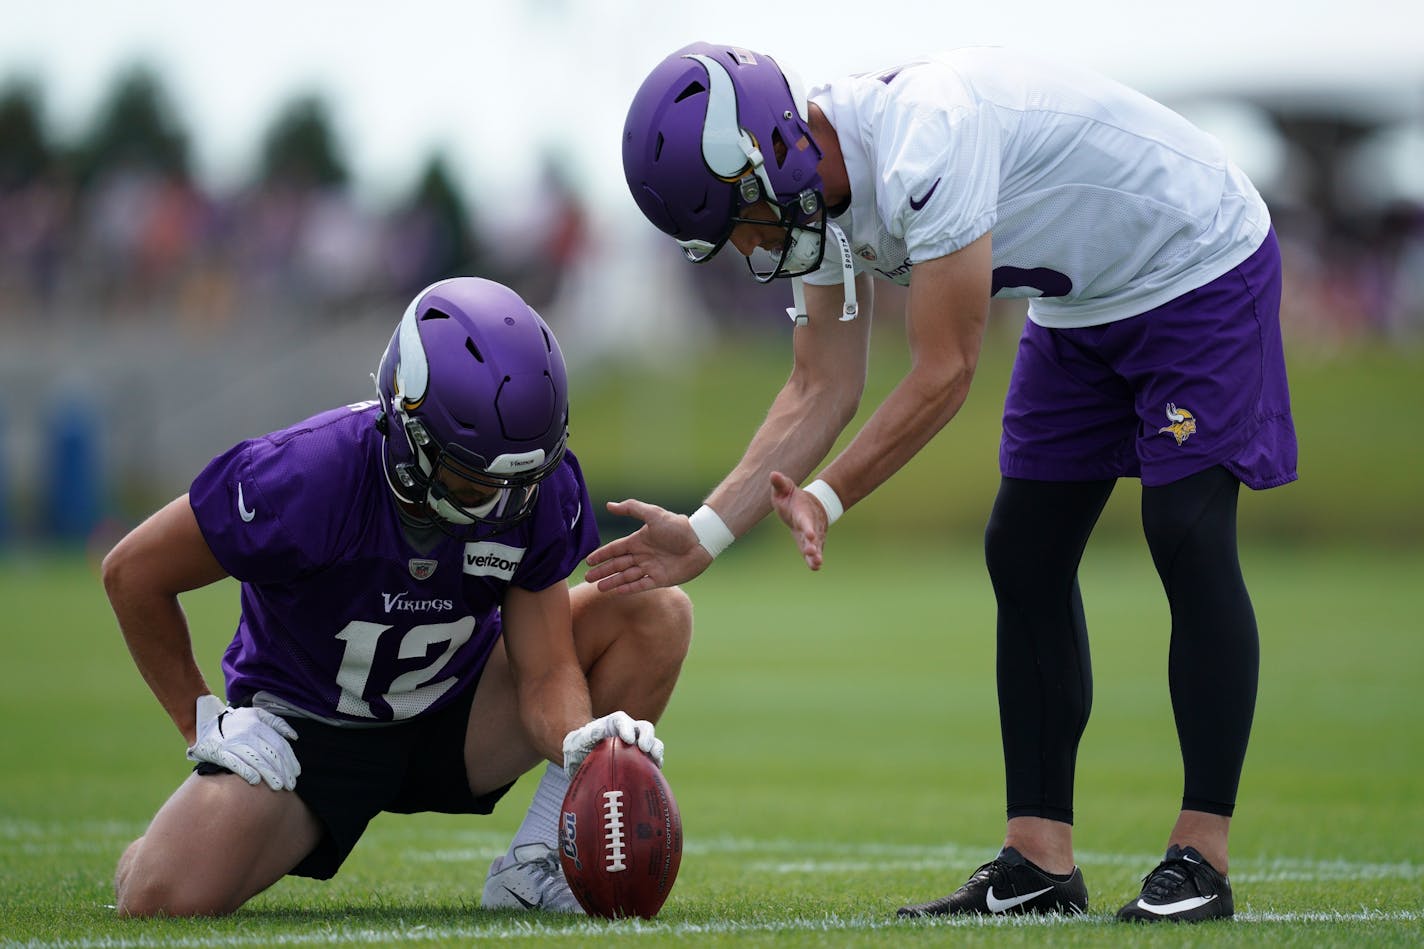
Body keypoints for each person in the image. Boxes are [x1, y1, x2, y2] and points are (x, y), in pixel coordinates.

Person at [595, 43, 1296, 922]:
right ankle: (1039, 860)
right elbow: (821, 387)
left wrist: (829, 495)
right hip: (1086, 299)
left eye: (740, 218)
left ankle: (1201, 856)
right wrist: (703, 536)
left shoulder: (927, 135)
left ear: (766, 153)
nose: (748, 243)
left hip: (1196, 257)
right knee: (1025, 549)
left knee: (1184, 529)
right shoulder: (809, 189)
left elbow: (945, 371)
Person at [102, 277, 692, 917]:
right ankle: (165, 842)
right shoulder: (307, 475)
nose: (503, 501)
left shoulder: (531, 483)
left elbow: (546, 667)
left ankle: (536, 867)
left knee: (653, 612)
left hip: (456, 713)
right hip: (307, 736)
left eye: (521, 478)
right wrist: (202, 720)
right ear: (409, 429)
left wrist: (582, 742)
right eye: (474, 478)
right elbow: (132, 573)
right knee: (158, 896)